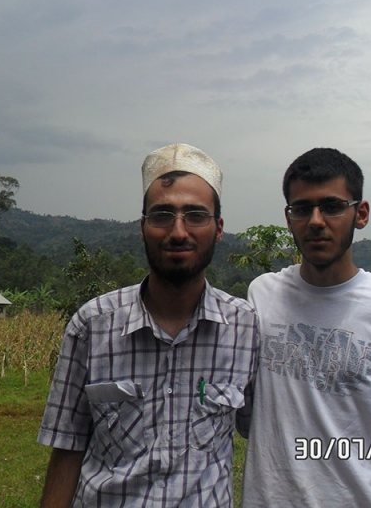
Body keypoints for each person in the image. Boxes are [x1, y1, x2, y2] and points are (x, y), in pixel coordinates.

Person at [38, 143, 259, 507]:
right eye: (162, 215)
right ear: (142, 227)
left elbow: (261, 435)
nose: (178, 231)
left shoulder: (245, 328)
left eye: (195, 215)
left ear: (219, 228)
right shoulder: (93, 326)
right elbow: (67, 448)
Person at [239, 147, 371, 508]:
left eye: (332, 207)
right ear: (289, 217)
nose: (316, 221)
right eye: (302, 209)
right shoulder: (262, 295)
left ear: (360, 214)